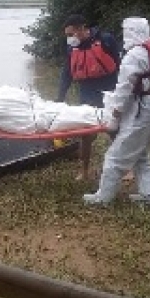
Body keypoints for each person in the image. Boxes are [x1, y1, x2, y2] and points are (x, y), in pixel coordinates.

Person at [83, 17, 150, 206]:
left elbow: (124, 89)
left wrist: (115, 115)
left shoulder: (134, 55)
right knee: (141, 153)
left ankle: (103, 198)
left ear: (130, 31)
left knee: (115, 156)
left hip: (145, 108)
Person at [57, 14, 121, 181]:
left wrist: (124, 93)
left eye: (71, 34)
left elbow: (121, 65)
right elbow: (66, 74)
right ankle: (84, 170)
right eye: (67, 35)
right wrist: (59, 98)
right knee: (85, 134)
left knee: (115, 130)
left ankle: (126, 169)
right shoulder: (72, 49)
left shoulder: (106, 40)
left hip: (109, 92)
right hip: (87, 92)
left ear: (81, 28)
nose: (69, 38)